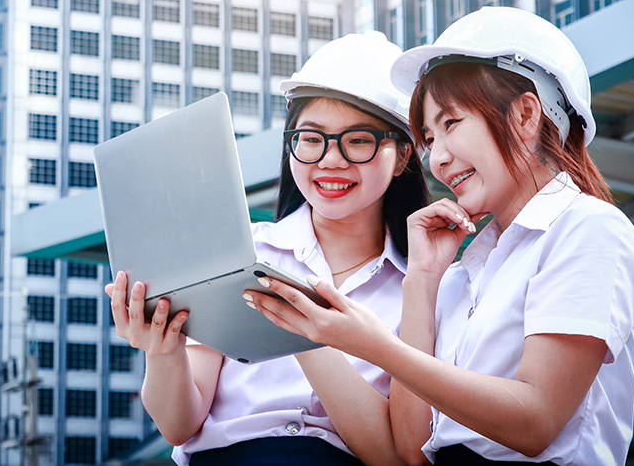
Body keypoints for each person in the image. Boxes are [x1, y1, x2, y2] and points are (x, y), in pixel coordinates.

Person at [247, 7, 634, 466]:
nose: (437, 159)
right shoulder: (461, 272)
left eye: (451, 124)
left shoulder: (588, 229)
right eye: (427, 136)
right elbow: (410, 449)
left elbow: (536, 421)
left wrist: (372, 345)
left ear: (525, 114)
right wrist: (420, 280)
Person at [104, 30, 431, 466]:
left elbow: (395, 457)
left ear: (403, 155)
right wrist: (163, 352)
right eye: (311, 138)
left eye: (358, 140)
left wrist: (305, 331)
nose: (330, 160)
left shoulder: (424, 287)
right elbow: (179, 426)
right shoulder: (242, 254)